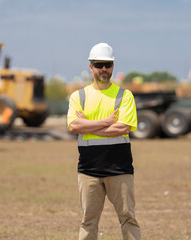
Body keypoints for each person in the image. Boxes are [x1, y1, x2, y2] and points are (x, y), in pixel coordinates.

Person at [67, 43, 141, 240]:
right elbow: (74, 126)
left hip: (120, 169)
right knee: (88, 221)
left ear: (113, 66)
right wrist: (106, 122)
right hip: (88, 171)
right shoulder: (78, 97)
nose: (103, 69)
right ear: (90, 66)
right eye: (99, 65)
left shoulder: (124, 96)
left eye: (107, 65)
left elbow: (123, 128)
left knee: (128, 218)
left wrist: (88, 124)